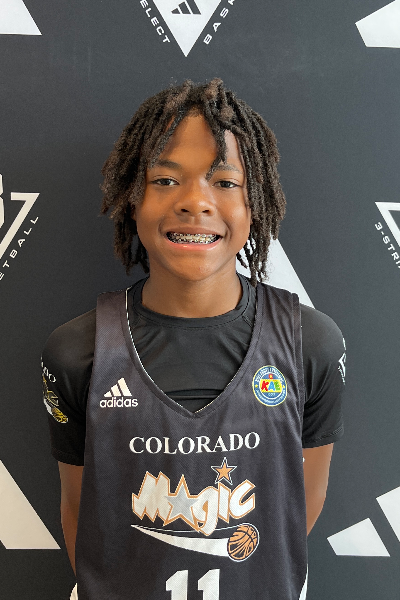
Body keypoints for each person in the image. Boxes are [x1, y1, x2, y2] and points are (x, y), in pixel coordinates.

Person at [42, 79, 345, 600]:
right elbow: (81, 509)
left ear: (255, 203)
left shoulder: (310, 344)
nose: (195, 202)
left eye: (225, 182)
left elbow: (301, 502)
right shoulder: (76, 352)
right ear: (132, 200)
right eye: (165, 180)